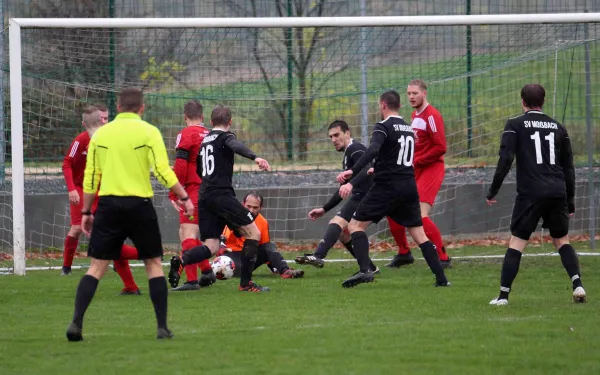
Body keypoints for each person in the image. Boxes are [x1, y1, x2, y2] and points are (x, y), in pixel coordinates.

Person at [66, 88, 194, 341]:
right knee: (153, 264)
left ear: (117, 108)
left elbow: (91, 177)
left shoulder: (102, 134)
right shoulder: (149, 132)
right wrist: (185, 197)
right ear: (142, 108)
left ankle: (76, 324)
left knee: (96, 267)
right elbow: (162, 171)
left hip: (109, 206)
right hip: (139, 206)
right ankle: (161, 327)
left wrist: (86, 211)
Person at [337, 90, 450, 288]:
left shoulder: (383, 126)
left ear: (383, 105)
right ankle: (442, 280)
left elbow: (373, 149)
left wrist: (352, 171)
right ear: (399, 105)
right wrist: (378, 166)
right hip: (408, 186)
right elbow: (395, 156)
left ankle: (366, 271)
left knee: (355, 226)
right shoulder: (408, 128)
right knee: (419, 234)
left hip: (387, 186)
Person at [486, 83, 586, 306]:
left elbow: (505, 159)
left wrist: (493, 190)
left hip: (531, 192)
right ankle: (577, 284)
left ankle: (503, 296)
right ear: (543, 102)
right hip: (557, 191)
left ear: (522, 101)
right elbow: (569, 169)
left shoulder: (514, 125)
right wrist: (570, 201)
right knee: (561, 240)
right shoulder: (558, 127)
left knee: (517, 241)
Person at [168, 105, 271, 292]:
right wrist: (254, 157)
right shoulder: (226, 137)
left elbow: (199, 168)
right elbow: (235, 146)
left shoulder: (205, 140)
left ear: (211, 120)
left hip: (204, 196)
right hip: (222, 194)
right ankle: (246, 284)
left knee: (212, 245)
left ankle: (183, 260)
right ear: (230, 122)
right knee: (254, 233)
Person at [61, 105, 141, 295]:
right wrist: (72, 189)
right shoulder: (81, 140)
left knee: (107, 243)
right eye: (102, 119)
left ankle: (148, 253)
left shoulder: (111, 140)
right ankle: (131, 286)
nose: (104, 122)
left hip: (106, 193)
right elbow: (67, 164)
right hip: (86, 191)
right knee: (102, 239)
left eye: (106, 118)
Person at [296, 120, 378, 273]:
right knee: (343, 233)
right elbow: (342, 190)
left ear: (347, 133)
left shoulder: (355, 149)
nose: (333, 140)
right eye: (331, 137)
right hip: (362, 196)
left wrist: (351, 184)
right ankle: (371, 268)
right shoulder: (348, 153)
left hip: (368, 196)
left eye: (336, 135)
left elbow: (367, 168)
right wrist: (324, 209)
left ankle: (318, 255)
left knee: (338, 222)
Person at [386, 79, 451, 268]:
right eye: (409, 94)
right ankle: (404, 253)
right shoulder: (415, 115)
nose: (411, 97)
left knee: (420, 216)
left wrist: (417, 161)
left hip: (431, 169)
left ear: (424, 93)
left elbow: (441, 147)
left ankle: (443, 257)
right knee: (393, 209)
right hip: (415, 169)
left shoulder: (432, 115)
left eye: (415, 93)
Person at [169, 100, 217, 292]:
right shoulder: (212, 134)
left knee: (188, 233)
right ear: (203, 117)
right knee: (186, 232)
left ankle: (191, 281)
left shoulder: (186, 134)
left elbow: (181, 165)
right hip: (212, 190)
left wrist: (175, 192)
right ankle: (206, 270)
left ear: (185, 117)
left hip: (194, 190)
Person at [219, 191, 304, 279]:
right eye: (249, 206)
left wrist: (274, 266)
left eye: (255, 207)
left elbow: (266, 248)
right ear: (243, 204)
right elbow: (224, 235)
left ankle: (285, 271)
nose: (251, 210)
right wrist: (221, 245)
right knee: (235, 268)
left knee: (270, 245)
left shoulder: (263, 222)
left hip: (249, 255)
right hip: (232, 254)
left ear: (261, 208)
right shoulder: (234, 216)